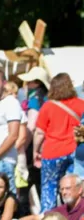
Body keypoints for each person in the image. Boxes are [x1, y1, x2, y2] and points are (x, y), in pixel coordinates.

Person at [36, 73, 84, 212]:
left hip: (52, 154)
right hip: (74, 153)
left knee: (48, 190)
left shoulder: (47, 106)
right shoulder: (81, 104)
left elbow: (39, 133)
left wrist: (35, 151)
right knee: (72, 190)